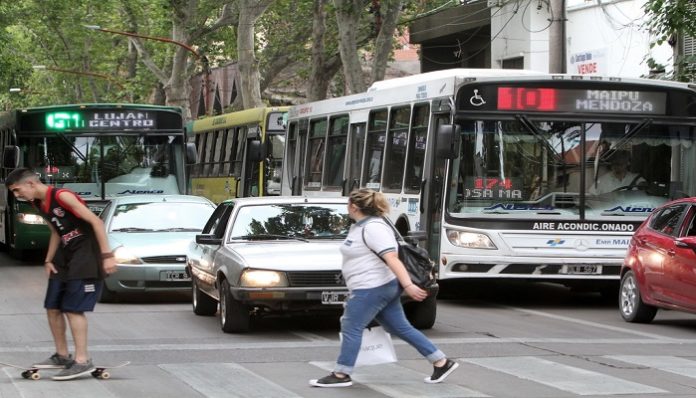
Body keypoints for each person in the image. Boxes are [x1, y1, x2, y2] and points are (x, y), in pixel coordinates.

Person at [309, 188, 458, 388]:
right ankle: (441, 361)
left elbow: (392, 259)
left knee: (351, 326)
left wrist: (408, 285)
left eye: (348, 205)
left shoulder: (374, 228)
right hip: (374, 287)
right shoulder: (360, 226)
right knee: (400, 327)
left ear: (353, 206)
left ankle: (341, 374)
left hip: (372, 288)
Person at [5, 168, 117, 381]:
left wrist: (107, 255)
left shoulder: (61, 196)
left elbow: (97, 222)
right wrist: (48, 259)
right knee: (53, 307)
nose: (16, 195)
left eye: (17, 190)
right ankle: (62, 356)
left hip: (85, 254)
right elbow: (56, 231)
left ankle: (82, 361)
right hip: (65, 255)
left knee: (73, 309)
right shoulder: (37, 203)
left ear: (30, 184)